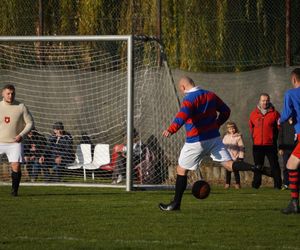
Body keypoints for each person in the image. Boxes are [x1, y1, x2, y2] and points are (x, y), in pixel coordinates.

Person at [159, 76, 264, 211]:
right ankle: (255, 168)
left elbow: (182, 116)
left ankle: (175, 204)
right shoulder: (210, 95)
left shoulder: (189, 99)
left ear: (183, 88)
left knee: (181, 170)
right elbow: (226, 111)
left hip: (196, 141)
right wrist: (217, 124)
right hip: (214, 138)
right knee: (229, 165)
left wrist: (171, 129)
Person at [0, 84, 34, 196]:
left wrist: (22, 135)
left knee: (16, 166)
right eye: (8, 93)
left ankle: (14, 191)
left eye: (12, 93)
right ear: (3, 94)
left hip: (15, 142)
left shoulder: (21, 107)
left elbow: (30, 123)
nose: (10, 95)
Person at [249, 93, 282, 189]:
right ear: (259, 101)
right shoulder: (253, 113)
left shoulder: (275, 113)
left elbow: (279, 128)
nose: (265, 102)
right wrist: (256, 138)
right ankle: (256, 185)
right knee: (258, 166)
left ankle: (277, 185)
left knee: (274, 165)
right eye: (263, 100)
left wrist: (273, 139)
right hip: (257, 145)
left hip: (270, 145)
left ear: (269, 100)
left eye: (267, 100)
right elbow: (251, 128)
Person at [280, 68, 300, 214]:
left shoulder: (291, 93)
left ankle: (294, 203)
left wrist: (279, 120)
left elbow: (286, 113)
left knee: (290, 165)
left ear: (294, 79)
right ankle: (294, 203)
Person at [222, 121, 245, 189]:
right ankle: (227, 184)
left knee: (236, 171)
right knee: (228, 170)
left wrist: (241, 157)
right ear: (227, 130)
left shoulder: (238, 137)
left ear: (235, 128)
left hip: (236, 157)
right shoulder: (226, 137)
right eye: (230, 129)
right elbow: (223, 146)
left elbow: (241, 147)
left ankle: (237, 184)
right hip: (228, 157)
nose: (232, 130)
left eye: (233, 128)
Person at [278, 118, 297, 190]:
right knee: (286, 166)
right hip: (285, 149)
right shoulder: (284, 124)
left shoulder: (297, 123)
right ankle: (286, 183)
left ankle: (295, 183)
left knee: (296, 167)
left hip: (295, 149)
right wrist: (280, 148)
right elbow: (280, 136)